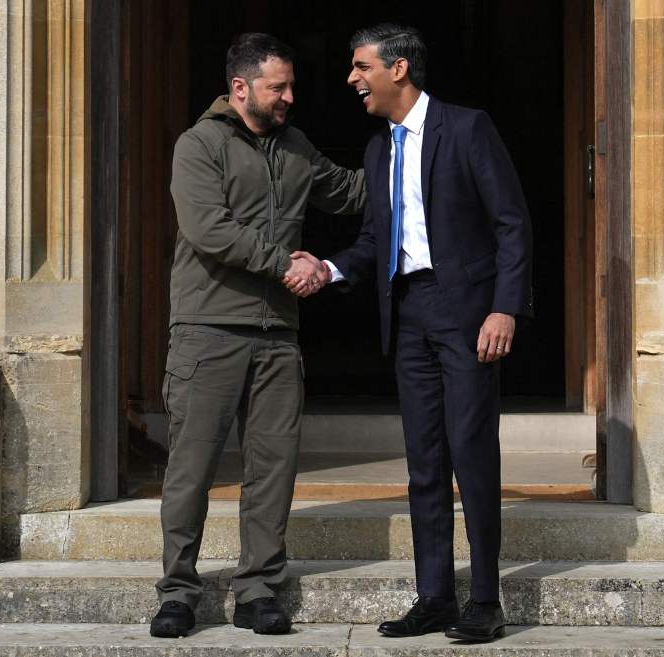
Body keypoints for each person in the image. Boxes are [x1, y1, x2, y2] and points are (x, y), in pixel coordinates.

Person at [287, 23, 533, 642]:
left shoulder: (468, 128)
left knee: (472, 454)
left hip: (469, 314)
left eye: (360, 66)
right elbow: (377, 240)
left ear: (398, 69)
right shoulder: (378, 148)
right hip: (409, 313)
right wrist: (331, 267)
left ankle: (485, 600)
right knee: (424, 462)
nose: (351, 78)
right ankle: (435, 597)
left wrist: (505, 309)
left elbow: (512, 225)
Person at [151, 32, 366, 639]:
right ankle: (177, 592)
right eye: (279, 87)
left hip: (277, 335)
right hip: (207, 330)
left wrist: (410, 152)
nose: (289, 97)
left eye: (290, 86)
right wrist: (287, 264)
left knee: (273, 469)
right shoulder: (199, 146)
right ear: (240, 88)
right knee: (191, 470)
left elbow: (348, 193)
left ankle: (258, 590)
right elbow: (208, 228)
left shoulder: (295, 146)